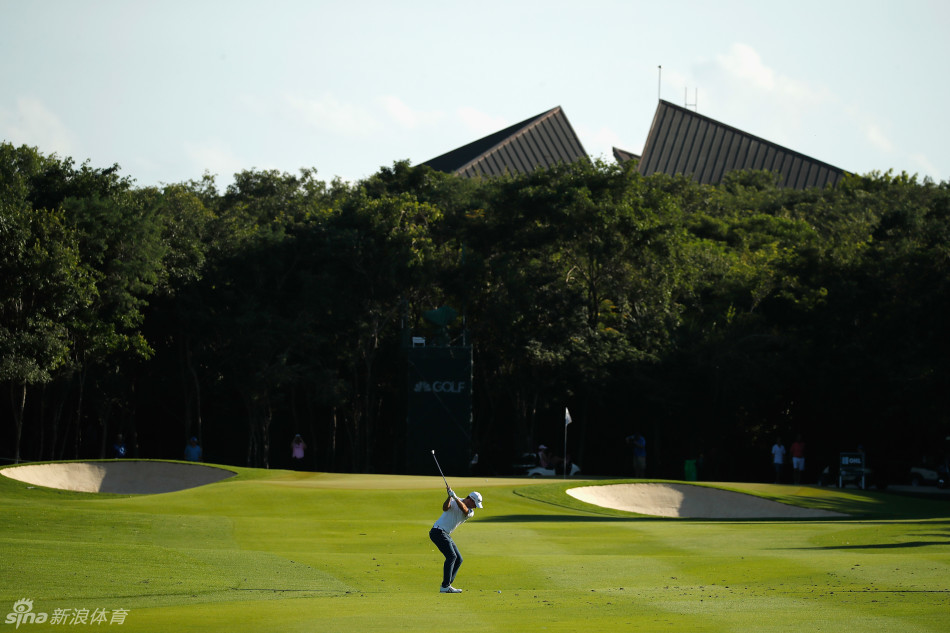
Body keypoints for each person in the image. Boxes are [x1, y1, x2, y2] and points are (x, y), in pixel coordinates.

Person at [428, 488, 483, 594]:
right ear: (470, 499)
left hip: (445, 534)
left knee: (459, 559)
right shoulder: (454, 499)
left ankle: (447, 585)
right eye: (475, 504)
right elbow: (445, 508)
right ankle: (445, 586)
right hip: (437, 532)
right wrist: (449, 497)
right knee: (452, 556)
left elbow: (464, 509)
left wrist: (454, 497)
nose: (475, 507)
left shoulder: (470, 512)